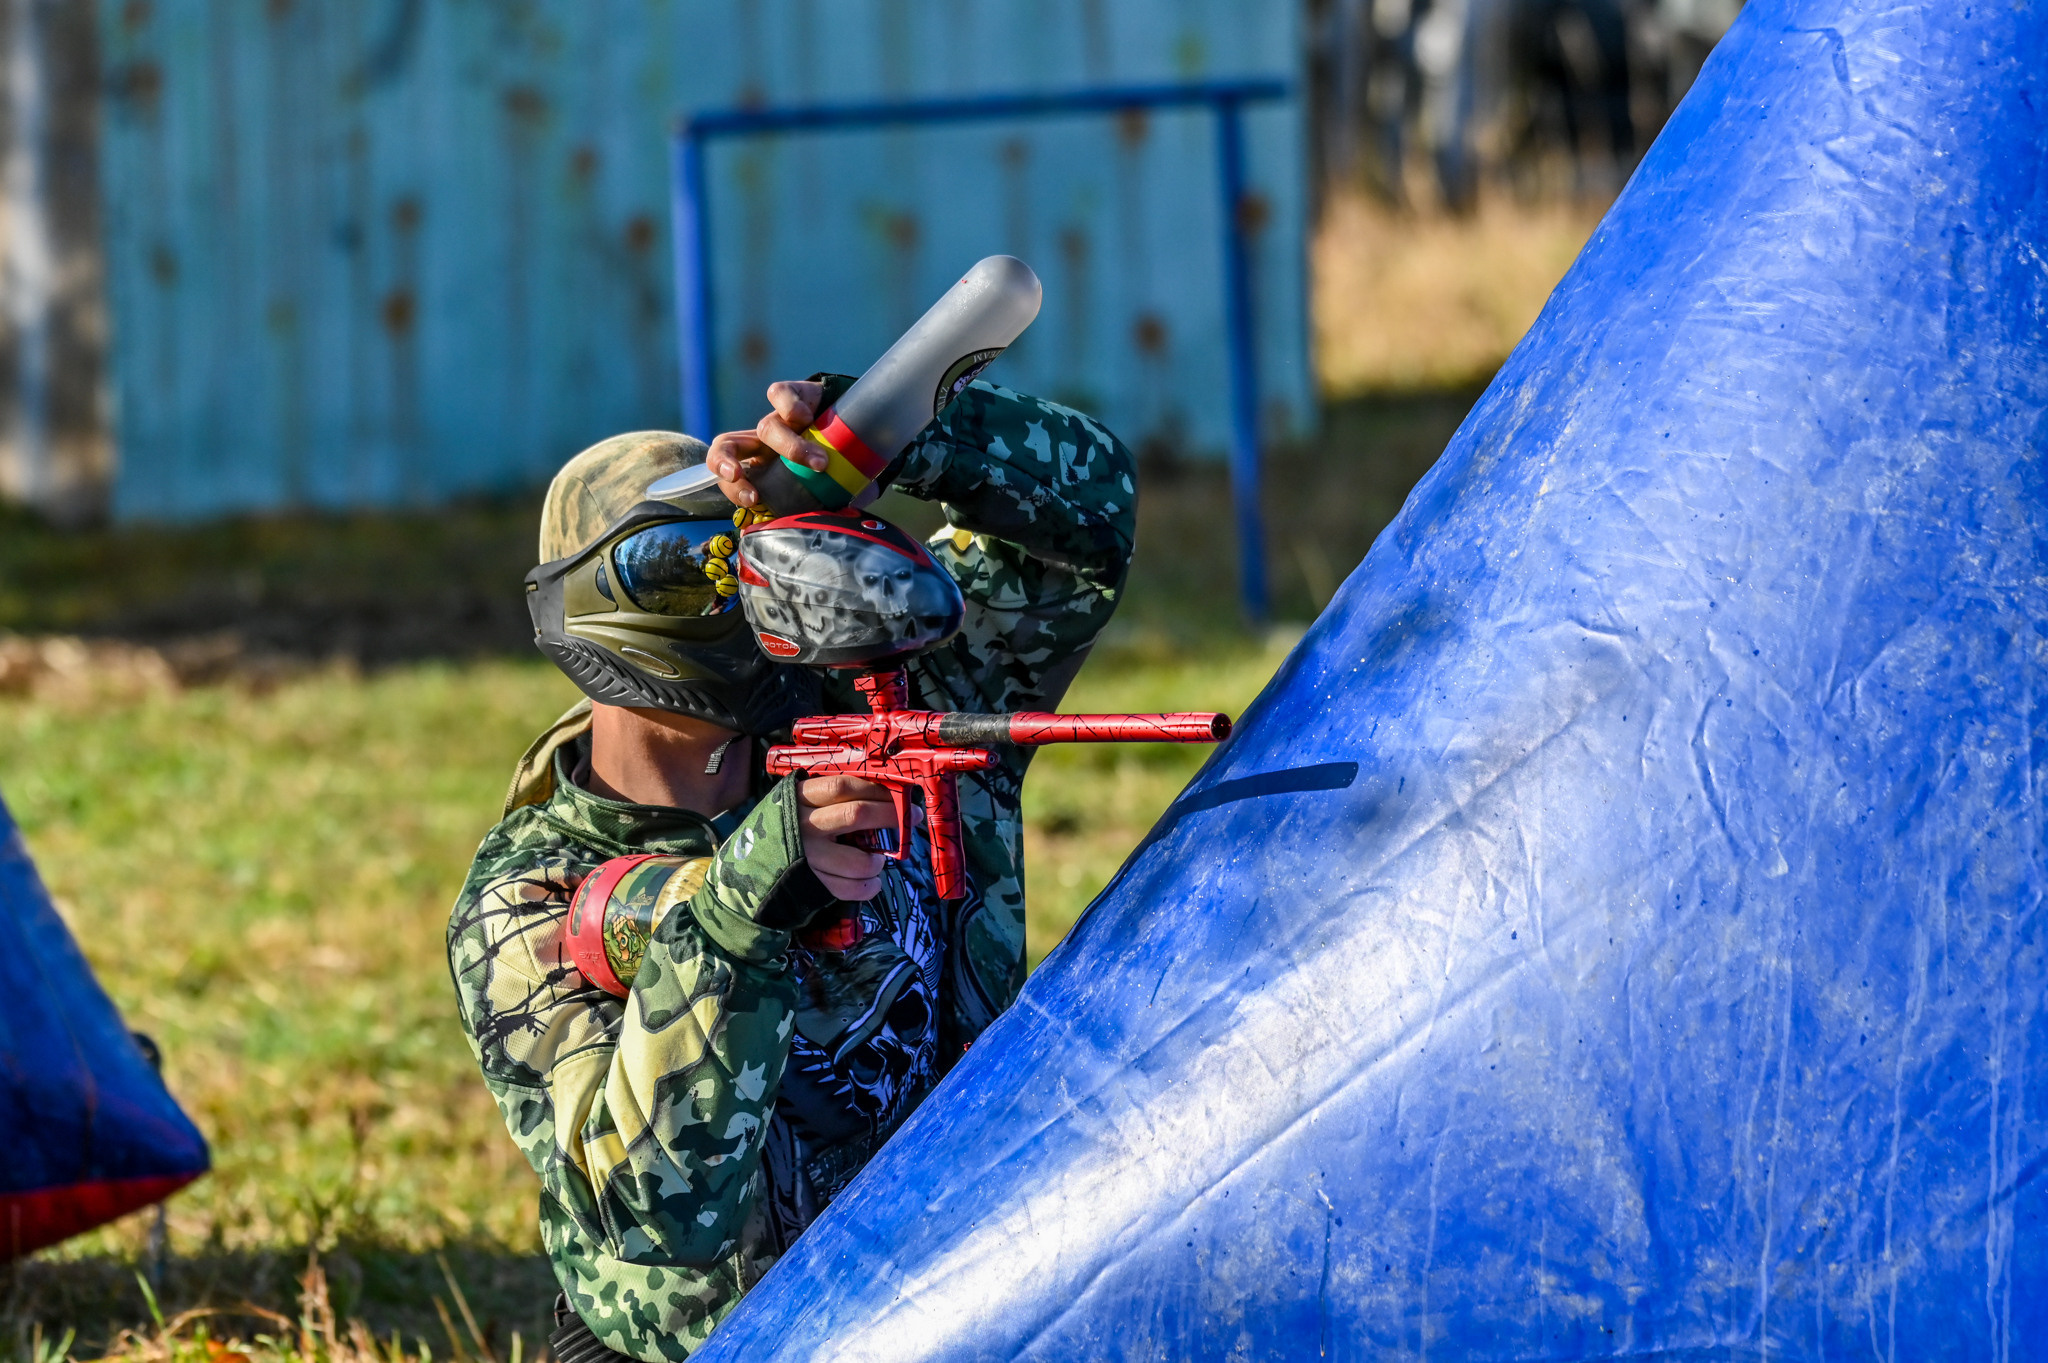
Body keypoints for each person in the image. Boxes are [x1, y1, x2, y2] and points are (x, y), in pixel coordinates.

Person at [447, 374, 1137, 1361]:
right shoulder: (530, 893)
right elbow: (654, 1214)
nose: (740, 592)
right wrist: (742, 908)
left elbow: (1087, 524)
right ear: (596, 607)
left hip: (985, 1289)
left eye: (758, 550)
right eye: (698, 567)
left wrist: (895, 433)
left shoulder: (889, 692)